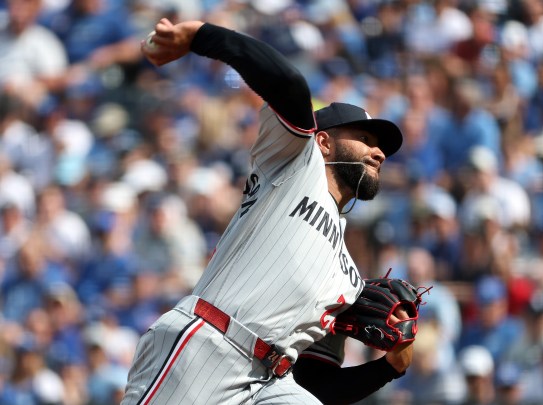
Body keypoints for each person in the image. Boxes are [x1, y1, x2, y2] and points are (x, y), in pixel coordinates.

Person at [122, 17, 410, 404]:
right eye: (364, 138)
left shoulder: (349, 278)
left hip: (270, 382)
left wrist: (389, 367)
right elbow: (289, 84)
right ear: (323, 142)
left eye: (381, 147)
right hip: (210, 345)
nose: (378, 152)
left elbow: (316, 385)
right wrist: (200, 37)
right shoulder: (294, 166)